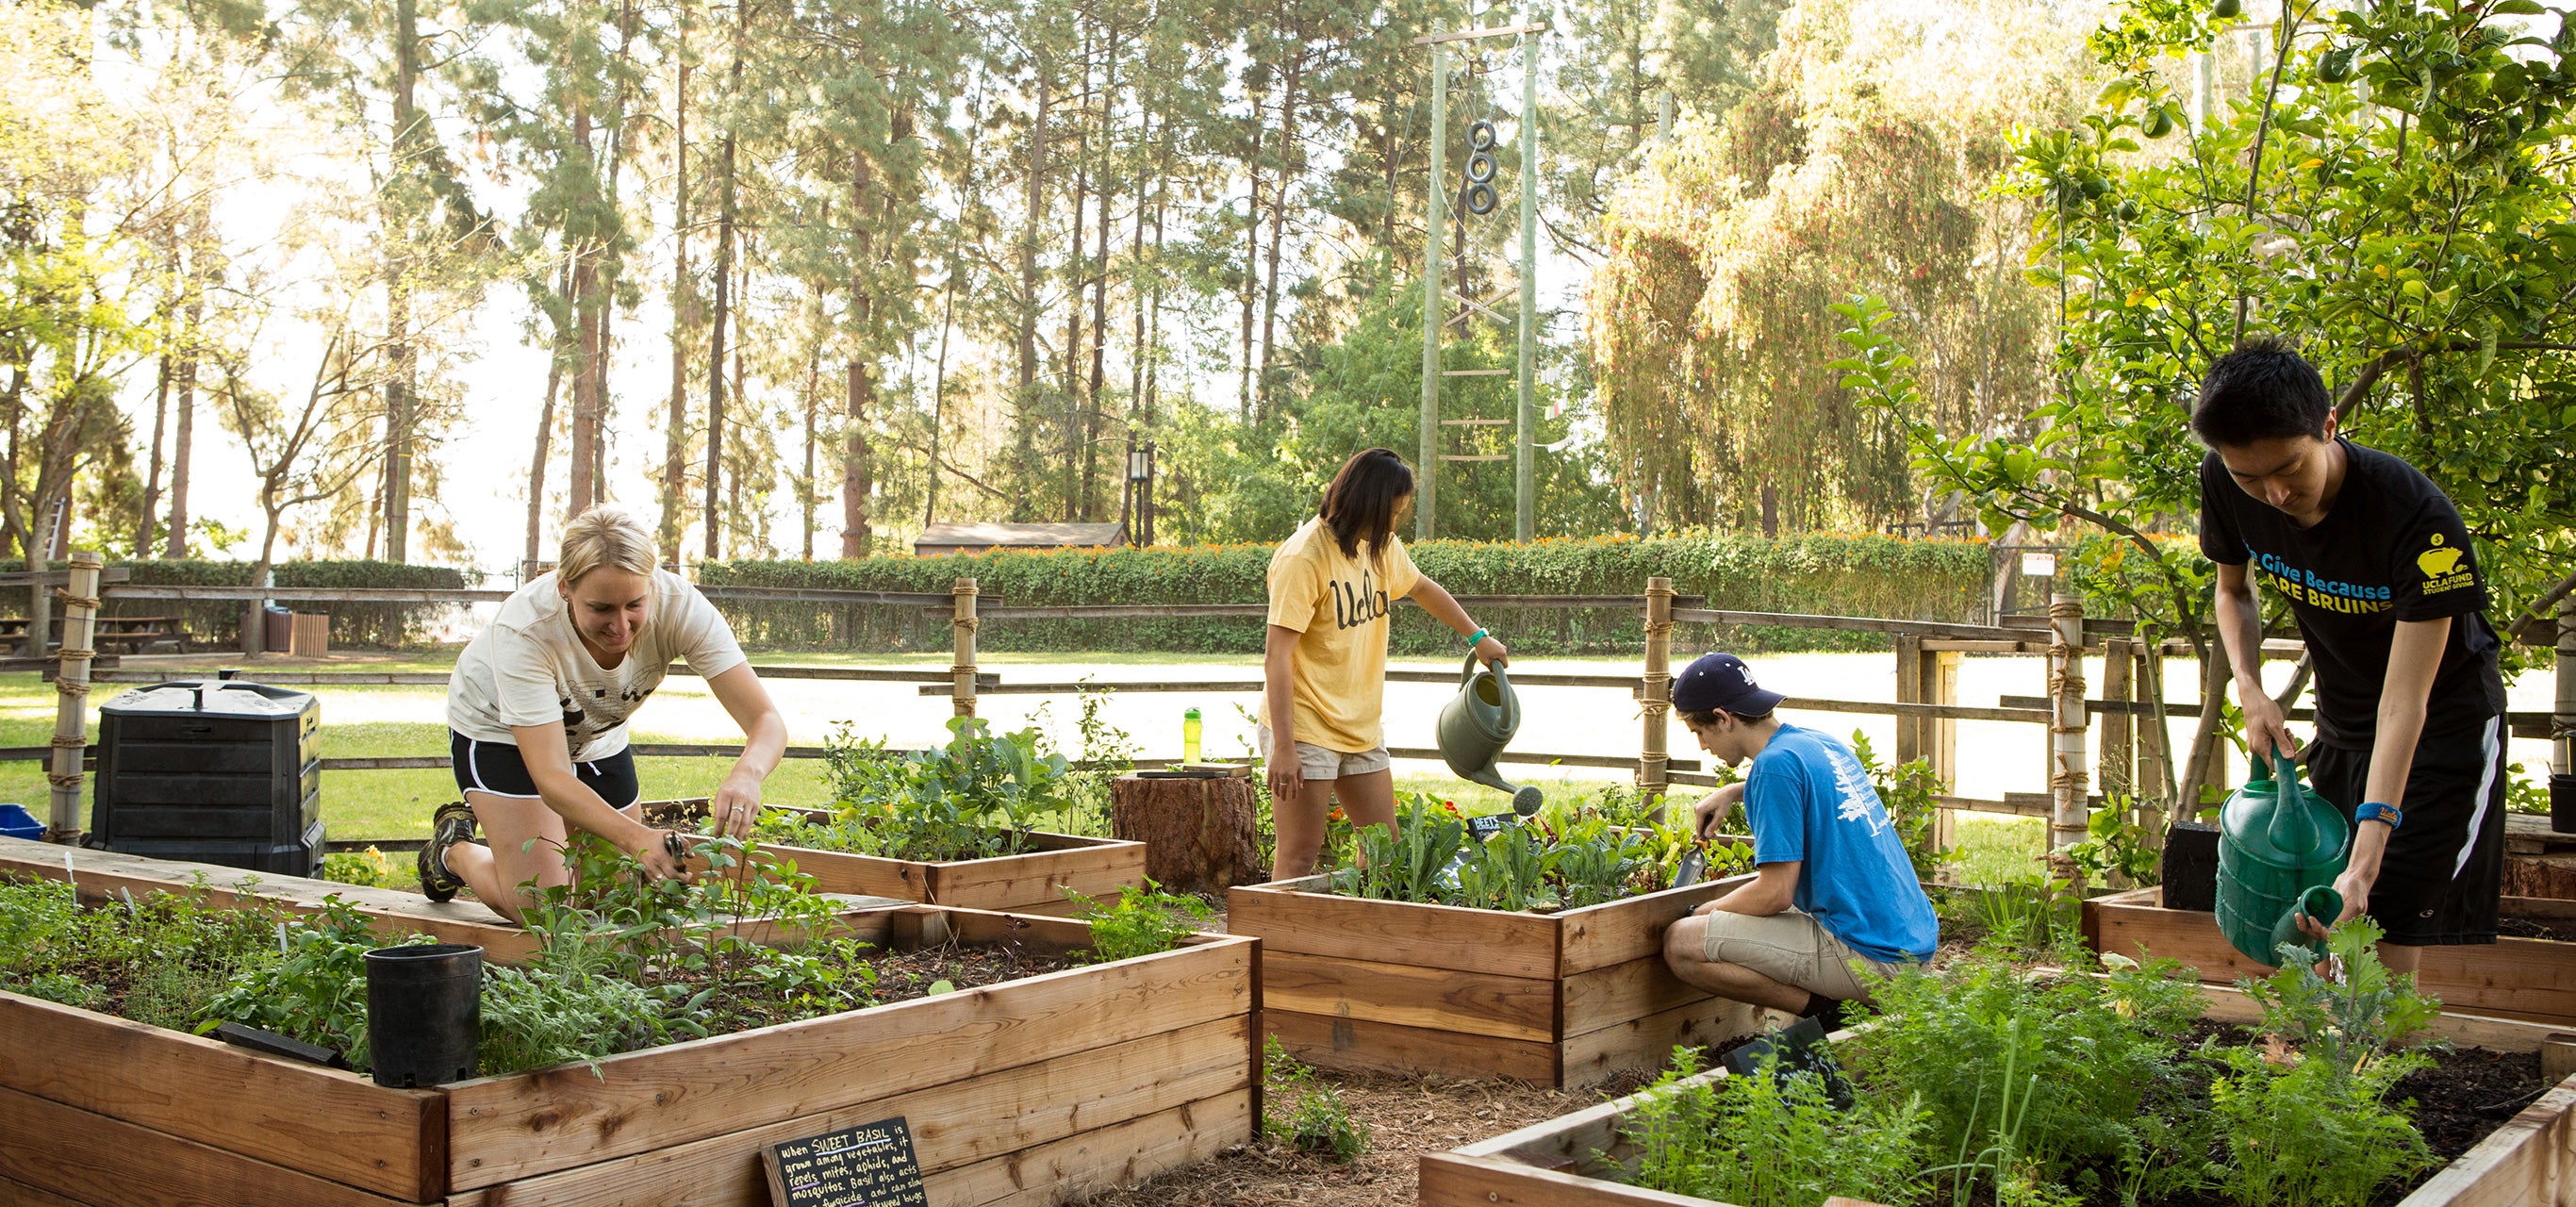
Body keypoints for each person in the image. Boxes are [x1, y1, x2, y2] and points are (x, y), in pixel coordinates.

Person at [2195, 339, 2508, 971]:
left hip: (2440, 731)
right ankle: (2319, 1062)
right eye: (2249, 477)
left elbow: (2405, 702)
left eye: (2289, 469)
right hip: (2343, 724)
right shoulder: (2227, 483)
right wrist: (2250, 690)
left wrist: (2364, 866)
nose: (2274, 495)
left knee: (2382, 927)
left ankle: (2367, 1066)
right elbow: (2233, 591)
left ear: (2329, 426)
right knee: (2321, 928)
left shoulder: (2418, 522)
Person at [419, 504, 789, 923]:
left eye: (635, 604)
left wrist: (748, 773)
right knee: (546, 910)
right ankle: (454, 851)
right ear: (564, 589)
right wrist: (637, 838)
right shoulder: (525, 631)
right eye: (601, 609)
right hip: (499, 732)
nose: (621, 626)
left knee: (612, 902)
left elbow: (766, 720)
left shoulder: (681, 607)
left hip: (595, 734)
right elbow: (553, 779)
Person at [1262, 448, 1508, 879]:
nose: (1396, 523)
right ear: (1367, 506)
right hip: (1305, 726)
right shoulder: (1304, 558)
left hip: (1359, 726)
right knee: (1300, 856)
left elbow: (1421, 588)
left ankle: (1364, 942)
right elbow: (1276, 657)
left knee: (1384, 853)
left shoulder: (1378, 547)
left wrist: (1477, 636)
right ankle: (1284, 947)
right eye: (1392, 513)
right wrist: (1283, 747)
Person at [1660, 653, 1938, 1031]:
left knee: (1681, 943)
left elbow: (1775, 894)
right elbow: (1811, 787)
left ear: (1723, 719)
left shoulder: (1773, 769)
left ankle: (1828, 1014)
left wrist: (1701, 911)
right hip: (1911, 945)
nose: (1702, 746)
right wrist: (1736, 790)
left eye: (1699, 732)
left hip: (1877, 962)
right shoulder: (1816, 743)